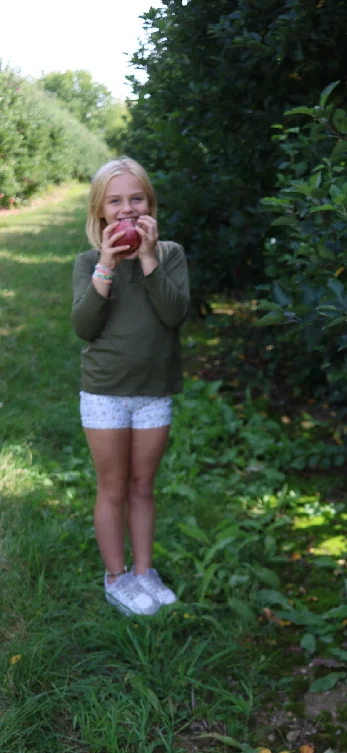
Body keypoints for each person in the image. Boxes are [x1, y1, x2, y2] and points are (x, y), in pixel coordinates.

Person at [71, 156, 190, 616]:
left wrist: (145, 257)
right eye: (114, 201)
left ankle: (144, 571)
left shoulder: (169, 255)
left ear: (150, 205)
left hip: (152, 392)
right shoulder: (88, 262)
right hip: (104, 392)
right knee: (113, 486)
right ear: (100, 212)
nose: (126, 209)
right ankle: (116, 576)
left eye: (135, 198)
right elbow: (84, 326)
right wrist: (106, 261)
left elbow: (175, 314)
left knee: (143, 485)